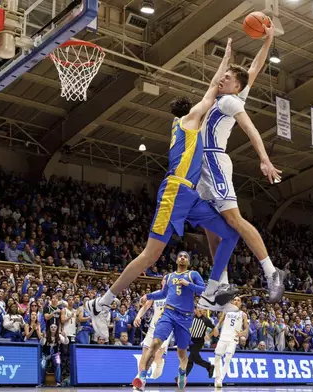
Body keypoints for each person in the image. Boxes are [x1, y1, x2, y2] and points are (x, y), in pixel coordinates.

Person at [85, 38, 239, 324]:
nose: (201, 107)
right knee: (150, 256)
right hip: (174, 191)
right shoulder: (189, 119)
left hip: (190, 196)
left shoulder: (183, 125)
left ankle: (215, 292)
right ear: (189, 110)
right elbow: (213, 89)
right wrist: (226, 59)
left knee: (230, 233)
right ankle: (102, 303)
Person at [197, 18, 286, 303]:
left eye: (227, 79)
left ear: (236, 87)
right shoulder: (223, 96)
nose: (222, 79)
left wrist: (264, 159)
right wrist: (267, 41)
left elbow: (251, 129)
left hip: (215, 162)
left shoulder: (230, 102)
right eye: (223, 77)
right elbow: (254, 69)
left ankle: (272, 272)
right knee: (210, 227)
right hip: (201, 166)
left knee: (233, 220)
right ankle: (221, 284)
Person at [133, 252, 205, 390]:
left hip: (185, 317)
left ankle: (182, 373)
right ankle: (142, 376)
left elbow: (203, 290)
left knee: (181, 352)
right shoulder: (169, 276)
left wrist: (189, 284)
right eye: (180, 256)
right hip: (169, 313)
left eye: (185, 257)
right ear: (176, 260)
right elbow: (163, 294)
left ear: (188, 262)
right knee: (155, 343)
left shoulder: (193, 274)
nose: (182, 257)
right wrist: (148, 295)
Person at [133, 285, 172, 380]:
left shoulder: (174, 294)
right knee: (144, 354)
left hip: (166, 327)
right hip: (153, 327)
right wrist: (138, 316)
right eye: (164, 279)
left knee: (156, 355)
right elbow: (145, 306)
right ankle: (140, 378)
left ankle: (160, 362)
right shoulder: (155, 294)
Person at [214, 296, 248, 388]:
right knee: (217, 358)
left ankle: (221, 379)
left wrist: (242, 333)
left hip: (233, 339)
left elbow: (246, 330)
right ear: (233, 302)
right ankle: (217, 377)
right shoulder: (226, 310)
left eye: (238, 300)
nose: (236, 301)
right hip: (223, 337)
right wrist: (216, 328)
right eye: (235, 300)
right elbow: (220, 322)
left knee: (228, 358)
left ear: (240, 303)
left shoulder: (243, 314)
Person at [185, 307, 218, 379]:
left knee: (190, 358)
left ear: (203, 311)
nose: (199, 311)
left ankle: (183, 377)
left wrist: (209, 335)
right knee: (194, 359)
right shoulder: (191, 317)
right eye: (198, 309)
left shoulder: (206, 320)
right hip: (191, 341)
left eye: (201, 310)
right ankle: (209, 366)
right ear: (195, 310)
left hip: (199, 342)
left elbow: (214, 328)